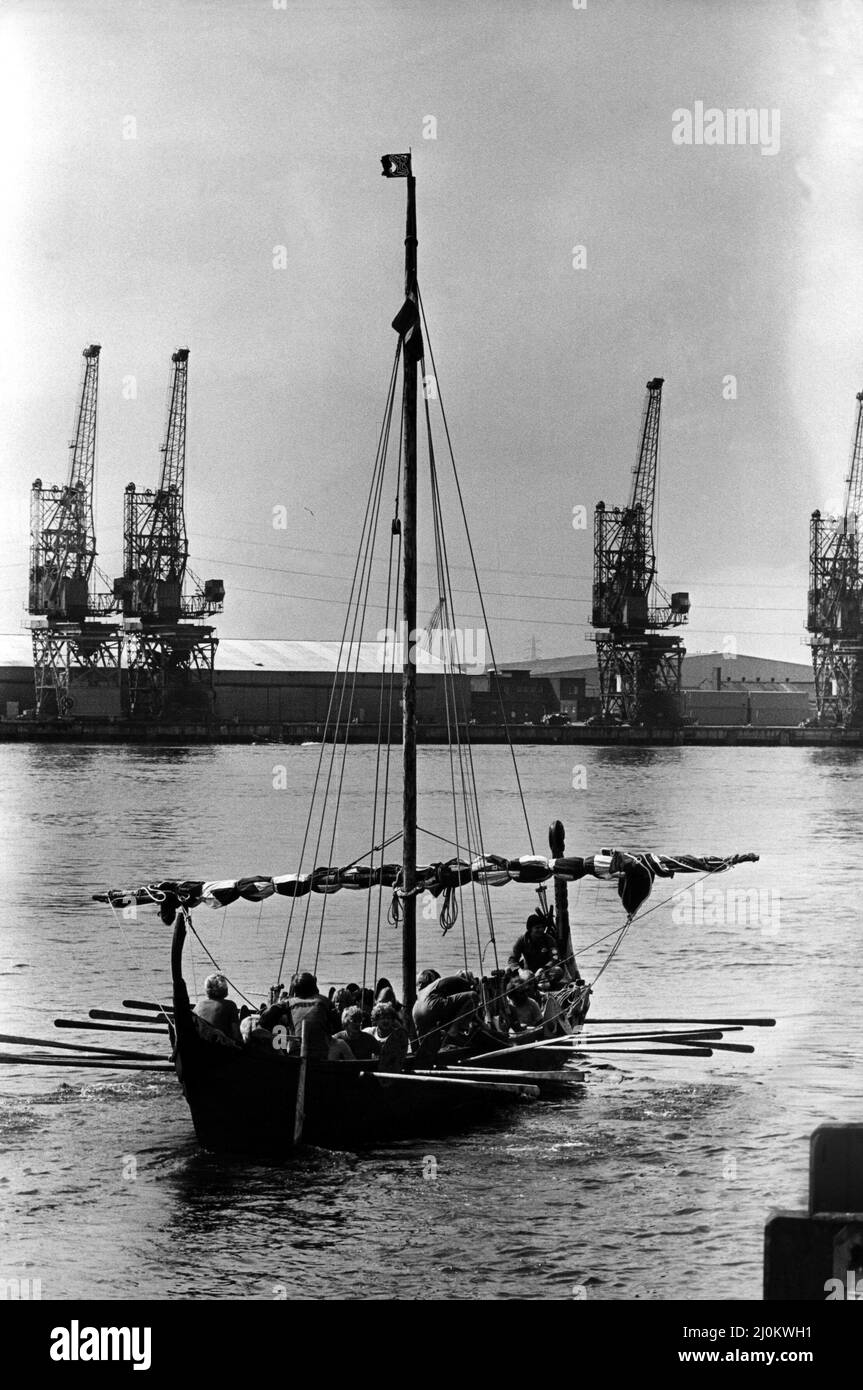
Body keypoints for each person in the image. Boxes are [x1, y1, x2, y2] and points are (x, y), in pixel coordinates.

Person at [411, 969, 481, 1063]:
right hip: (431, 1005)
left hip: (416, 1010)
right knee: (473, 996)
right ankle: (452, 1035)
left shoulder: (426, 989)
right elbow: (470, 1009)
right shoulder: (464, 984)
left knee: (425, 1045)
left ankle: (423, 1056)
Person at [287, 971, 331, 1060]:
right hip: (320, 1055)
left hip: (295, 1054)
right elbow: (334, 1027)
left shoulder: (287, 1004)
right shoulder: (324, 1002)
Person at [194, 973, 243, 1043]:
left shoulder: (198, 1005)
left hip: (201, 1046)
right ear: (224, 989)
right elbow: (235, 1033)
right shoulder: (230, 1005)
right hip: (222, 1047)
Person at [364, 1002, 409, 1071]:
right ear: (376, 1019)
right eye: (383, 1018)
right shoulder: (369, 1032)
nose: (386, 1021)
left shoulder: (398, 1036)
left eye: (388, 1018)